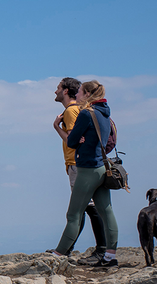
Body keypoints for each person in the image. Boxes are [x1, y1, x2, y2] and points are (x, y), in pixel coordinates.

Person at [50, 80, 119, 268]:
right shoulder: (104, 114)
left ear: (87, 94)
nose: (77, 95)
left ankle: (57, 256)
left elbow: (71, 142)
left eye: (80, 92)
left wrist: (67, 133)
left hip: (87, 169)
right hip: (102, 168)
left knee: (74, 214)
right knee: (106, 211)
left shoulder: (86, 114)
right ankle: (110, 257)